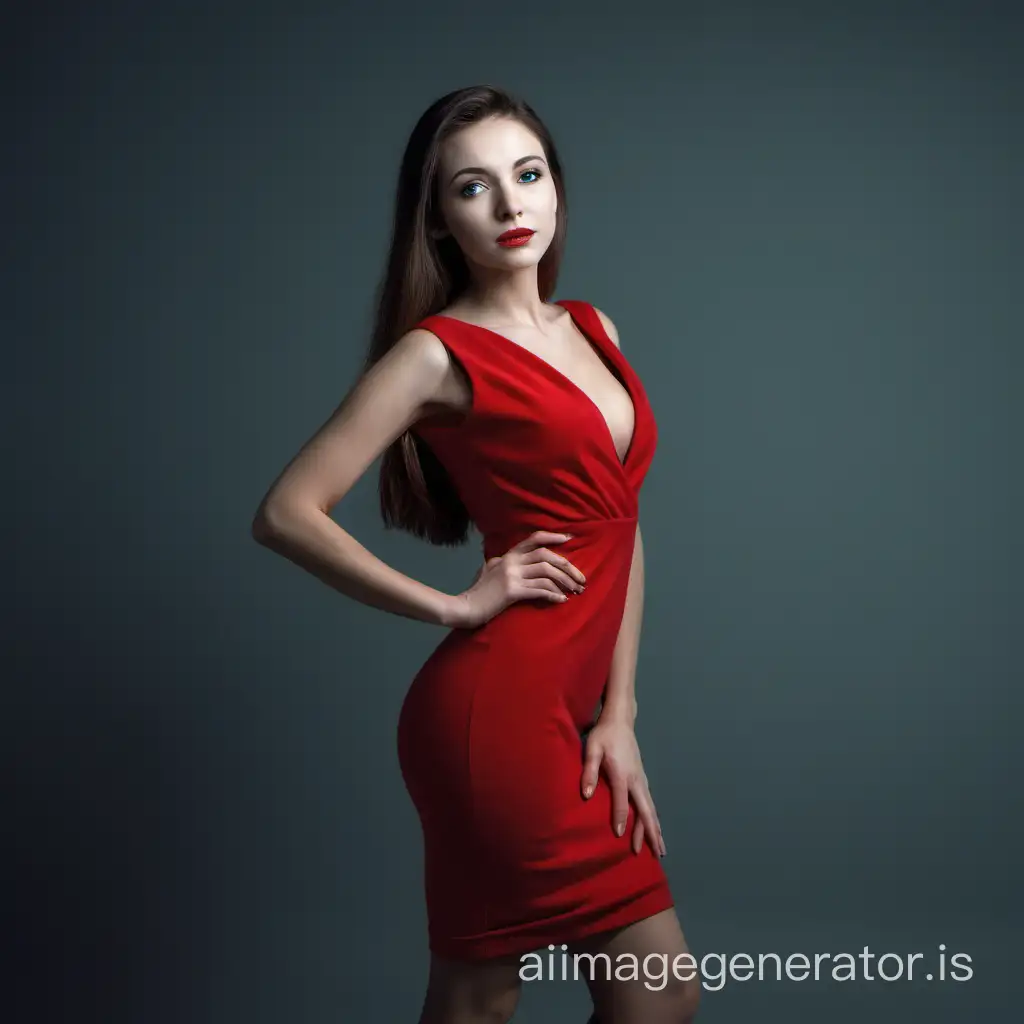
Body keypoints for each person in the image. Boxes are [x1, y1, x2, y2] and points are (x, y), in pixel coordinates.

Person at [251, 85, 700, 1024]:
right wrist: (454, 604)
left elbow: (620, 526)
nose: (510, 205)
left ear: (556, 191)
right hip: (492, 719)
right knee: (489, 998)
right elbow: (286, 512)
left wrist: (619, 713)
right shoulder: (435, 355)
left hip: (574, 719)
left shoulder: (596, 330)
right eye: (474, 187)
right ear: (439, 221)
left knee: (616, 996)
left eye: (527, 175)